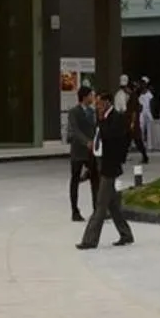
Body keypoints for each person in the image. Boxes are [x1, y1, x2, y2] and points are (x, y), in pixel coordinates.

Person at [77, 88, 135, 249]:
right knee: (112, 204)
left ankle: (89, 240)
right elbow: (98, 140)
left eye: (100, 103)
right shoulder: (101, 117)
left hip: (109, 165)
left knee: (101, 204)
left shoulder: (116, 118)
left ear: (107, 103)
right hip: (99, 162)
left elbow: (111, 137)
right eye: (96, 103)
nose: (97, 106)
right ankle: (126, 234)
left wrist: (102, 120)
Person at [66, 83, 100, 222]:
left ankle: (96, 209)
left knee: (95, 179)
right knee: (75, 179)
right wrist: (86, 142)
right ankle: (75, 210)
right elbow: (75, 130)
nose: (93, 97)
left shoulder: (93, 112)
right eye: (91, 95)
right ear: (85, 97)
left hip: (91, 151)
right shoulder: (74, 112)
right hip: (78, 151)